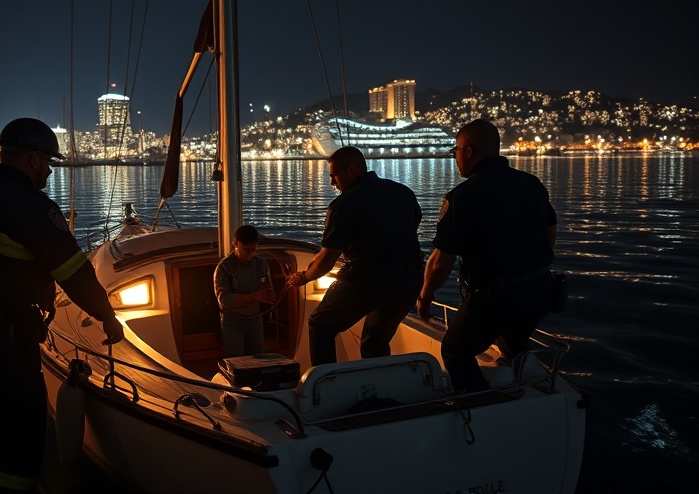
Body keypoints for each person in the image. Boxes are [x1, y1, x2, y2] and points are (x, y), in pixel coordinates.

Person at [0, 117, 124, 493]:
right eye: (49, 163)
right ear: (34, 160)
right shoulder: (30, 207)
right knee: (25, 433)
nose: (49, 171)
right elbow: (75, 275)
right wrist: (107, 317)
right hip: (4, 340)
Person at [416, 118, 556, 393]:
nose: (455, 158)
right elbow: (550, 232)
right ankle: (521, 392)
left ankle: (479, 407)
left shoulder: (463, 196)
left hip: (495, 298)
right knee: (515, 341)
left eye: (455, 151)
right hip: (541, 291)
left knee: (456, 350)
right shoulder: (532, 184)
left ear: (469, 151)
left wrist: (425, 295)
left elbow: (441, 260)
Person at [286, 146, 423, 366]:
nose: (332, 182)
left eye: (334, 175)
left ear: (352, 170)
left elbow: (327, 260)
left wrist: (304, 277)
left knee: (321, 324)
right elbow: (414, 224)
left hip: (369, 280)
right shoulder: (403, 192)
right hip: (409, 280)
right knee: (374, 342)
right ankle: (377, 391)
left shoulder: (344, 205)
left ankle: (325, 388)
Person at [213, 224, 276, 357]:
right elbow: (225, 300)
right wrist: (254, 297)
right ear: (235, 244)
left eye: (253, 250)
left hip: (255, 321)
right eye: (246, 250)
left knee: (259, 359)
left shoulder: (261, 264)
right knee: (237, 362)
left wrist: (269, 294)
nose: (250, 254)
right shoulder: (223, 268)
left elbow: (267, 287)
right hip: (232, 322)